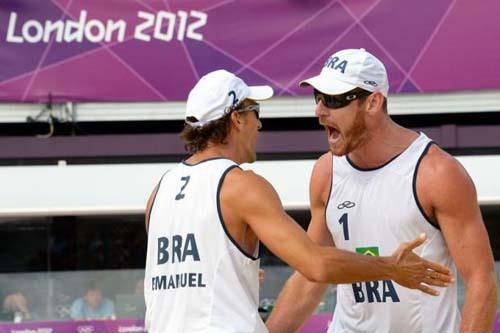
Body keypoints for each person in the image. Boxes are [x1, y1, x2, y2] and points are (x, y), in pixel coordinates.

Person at [143, 69, 453, 333]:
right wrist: (391, 268)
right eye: (255, 114)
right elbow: (316, 264)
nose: (259, 125)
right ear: (237, 119)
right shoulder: (240, 186)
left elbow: (185, 279)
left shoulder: (158, 192)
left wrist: (237, 275)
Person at [265, 48, 497, 333]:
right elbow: (311, 276)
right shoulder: (327, 172)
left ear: (373, 102)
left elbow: (481, 282)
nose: (320, 110)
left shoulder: (436, 173)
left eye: (334, 100)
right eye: (318, 97)